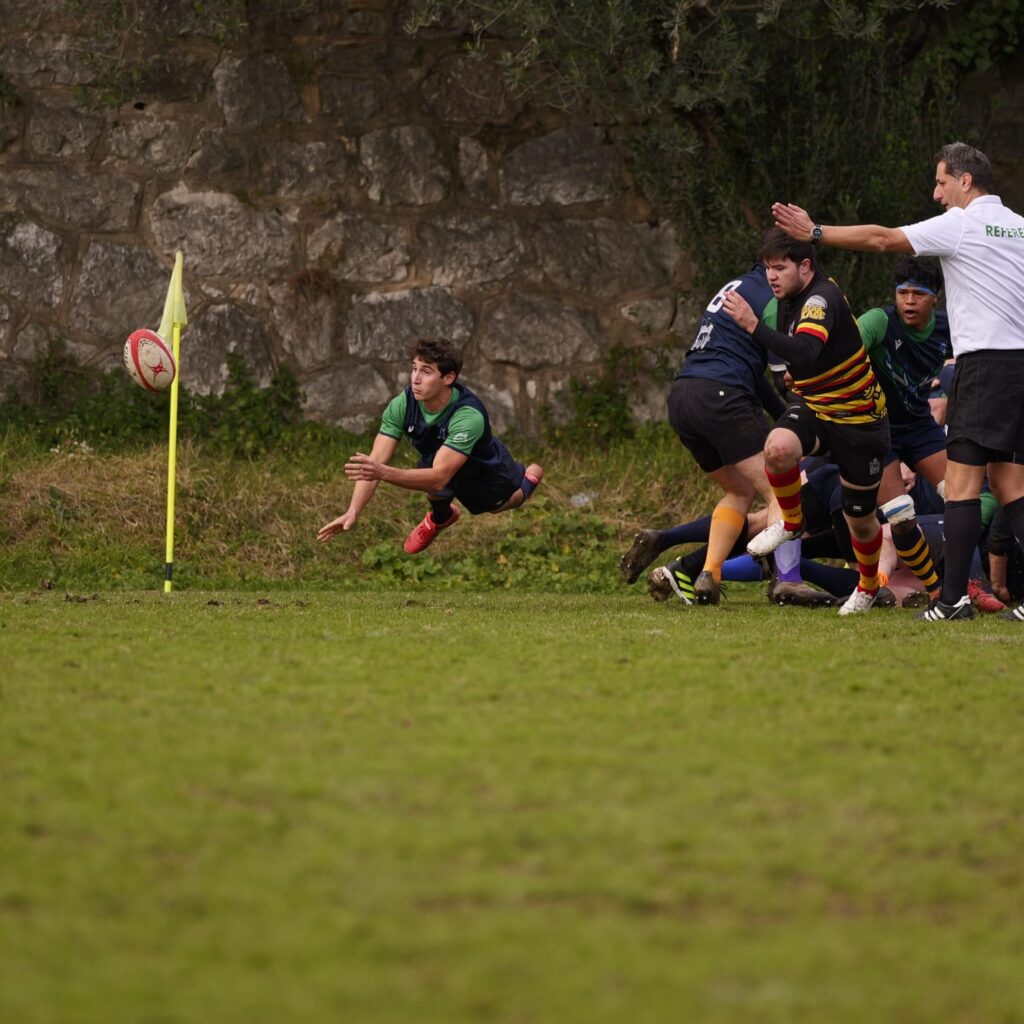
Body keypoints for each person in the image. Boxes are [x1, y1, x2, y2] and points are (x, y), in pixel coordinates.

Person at [772, 142, 1024, 622]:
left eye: (942, 182)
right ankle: (955, 596)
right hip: (1019, 367)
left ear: (965, 182)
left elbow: (884, 239)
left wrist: (817, 232)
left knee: (964, 484)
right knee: (1012, 485)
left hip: (985, 366)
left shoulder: (962, 223)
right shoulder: (1019, 226)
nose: (936, 194)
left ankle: (950, 601)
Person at [722, 228, 890, 615]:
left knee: (859, 519)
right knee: (777, 448)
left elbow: (808, 350)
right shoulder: (787, 298)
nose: (772, 277)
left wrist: (752, 326)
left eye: (780, 268)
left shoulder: (820, 298)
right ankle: (792, 522)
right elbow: (806, 361)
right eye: (768, 269)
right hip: (817, 407)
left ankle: (866, 586)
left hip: (858, 421)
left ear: (806, 266)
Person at [654, 261, 805, 606]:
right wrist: (801, 419)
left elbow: (754, 375)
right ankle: (788, 581)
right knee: (781, 490)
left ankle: (709, 573)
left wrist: (785, 417)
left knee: (738, 490)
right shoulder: (773, 295)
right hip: (723, 395)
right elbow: (780, 372)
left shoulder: (736, 284)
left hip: (684, 394)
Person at [317, 337, 542, 553]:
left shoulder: (468, 416)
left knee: (500, 505)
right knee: (427, 470)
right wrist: (353, 511)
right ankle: (441, 517)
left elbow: (438, 477)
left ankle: (528, 480)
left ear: (448, 378)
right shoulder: (403, 404)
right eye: (414, 368)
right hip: (439, 462)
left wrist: (383, 472)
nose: (415, 378)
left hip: (483, 473)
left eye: (426, 371)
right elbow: (375, 461)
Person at [859, 255, 951, 600]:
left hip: (919, 425)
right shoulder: (878, 321)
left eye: (918, 294)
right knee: (900, 515)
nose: (909, 301)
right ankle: (935, 590)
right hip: (876, 429)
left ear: (934, 298)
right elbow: (840, 352)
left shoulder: (949, 327)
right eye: (903, 293)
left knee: (960, 497)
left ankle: (961, 584)